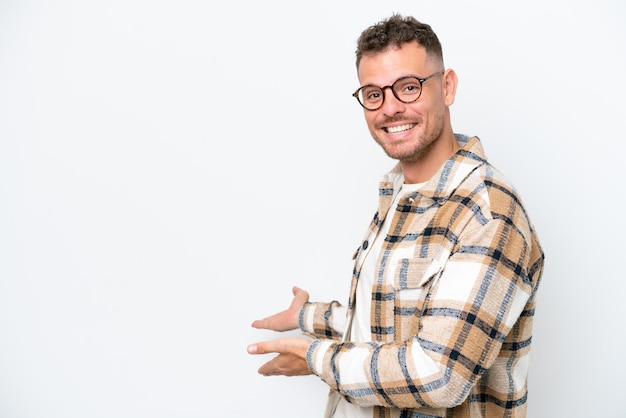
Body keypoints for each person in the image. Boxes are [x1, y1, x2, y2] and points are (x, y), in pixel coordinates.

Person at [247, 14, 544, 418]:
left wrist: (317, 358)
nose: (390, 109)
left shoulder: (488, 213)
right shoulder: (398, 194)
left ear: (448, 86)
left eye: (408, 87)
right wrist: (307, 316)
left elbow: (440, 376)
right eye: (373, 94)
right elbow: (391, 316)